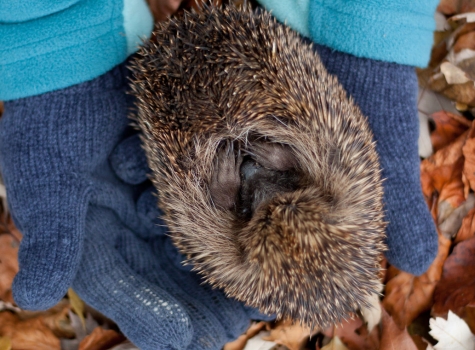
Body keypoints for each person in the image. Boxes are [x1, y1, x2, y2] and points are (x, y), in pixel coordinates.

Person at [0, 0, 438, 349]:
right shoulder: (335, 173)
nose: (254, 173)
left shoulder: (220, 233)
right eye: (287, 178)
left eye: (249, 203)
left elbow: (195, 213)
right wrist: (368, 16)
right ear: (321, 189)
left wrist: (53, 36)